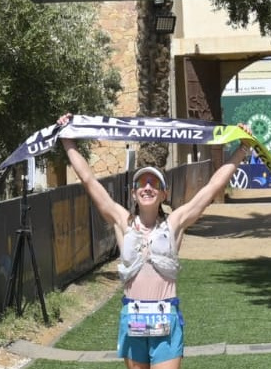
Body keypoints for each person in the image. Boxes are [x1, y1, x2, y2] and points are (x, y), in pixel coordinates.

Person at [59, 119, 254, 369]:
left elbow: (212, 187)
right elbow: (89, 180)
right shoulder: (123, 222)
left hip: (166, 318)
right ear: (133, 193)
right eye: (142, 183)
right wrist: (67, 140)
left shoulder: (175, 223)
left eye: (154, 184)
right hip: (134, 317)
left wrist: (242, 148)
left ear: (164, 193)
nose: (147, 187)